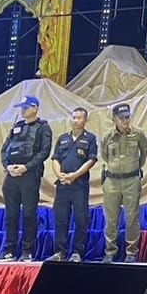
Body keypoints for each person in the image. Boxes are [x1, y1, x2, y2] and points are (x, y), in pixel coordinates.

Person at [0, 95, 52, 262]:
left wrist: (26, 167)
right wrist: (7, 166)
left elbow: (44, 152)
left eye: (26, 107)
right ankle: (9, 250)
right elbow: (5, 149)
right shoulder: (17, 126)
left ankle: (27, 250)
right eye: (21, 107)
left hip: (29, 175)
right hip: (12, 175)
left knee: (29, 214)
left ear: (35, 108)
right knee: (11, 215)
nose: (22, 110)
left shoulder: (43, 127)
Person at [100, 102, 147, 263]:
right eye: (121, 118)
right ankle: (110, 251)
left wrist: (133, 168)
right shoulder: (108, 136)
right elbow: (105, 155)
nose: (125, 121)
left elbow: (143, 153)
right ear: (114, 119)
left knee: (132, 217)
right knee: (111, 218)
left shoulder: (138, 134)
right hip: (111, 181)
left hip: (131, 180)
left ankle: (131, 252)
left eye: (127, 117)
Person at [49, 106, 97, 262]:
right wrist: (59, 175)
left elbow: (91, 160)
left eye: (79, 118)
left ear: (85, 120)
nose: (75, 120)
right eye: (73, 117)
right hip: (63, 185)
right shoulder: (63, 138)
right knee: (61, 219)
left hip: (79, 185)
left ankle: (77, 252)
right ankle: (59, 252)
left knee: (81, 219)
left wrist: (75, 175)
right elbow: (55, 159)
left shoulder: (90, 138)